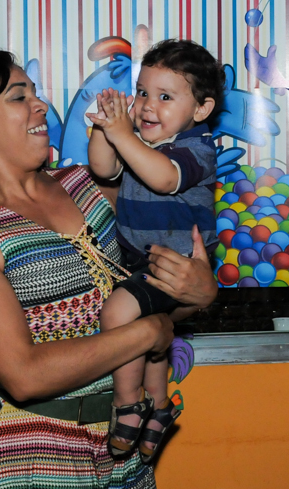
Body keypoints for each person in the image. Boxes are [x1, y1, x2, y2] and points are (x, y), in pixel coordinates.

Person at [0, 50, 218, 489]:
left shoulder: (87, 186)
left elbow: (164, 290)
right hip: (37, 460)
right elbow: (24, 374)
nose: (41, 105)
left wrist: (203, 290)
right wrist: (149, 332)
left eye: (35, 94)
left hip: (124, 444)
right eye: (19, 97)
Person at [85, 40, 220, 462]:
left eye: (165, 97)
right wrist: (105, 130)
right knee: (152, 329)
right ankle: (160, 407)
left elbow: (164, 179)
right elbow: (103, 169)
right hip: (142, 259)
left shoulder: (195, 149)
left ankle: (128, 404)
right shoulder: (142, 143)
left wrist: (125, 137)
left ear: (200, 110)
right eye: (142, 92)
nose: (147, 105)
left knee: (117, 315)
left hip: (174, 262)